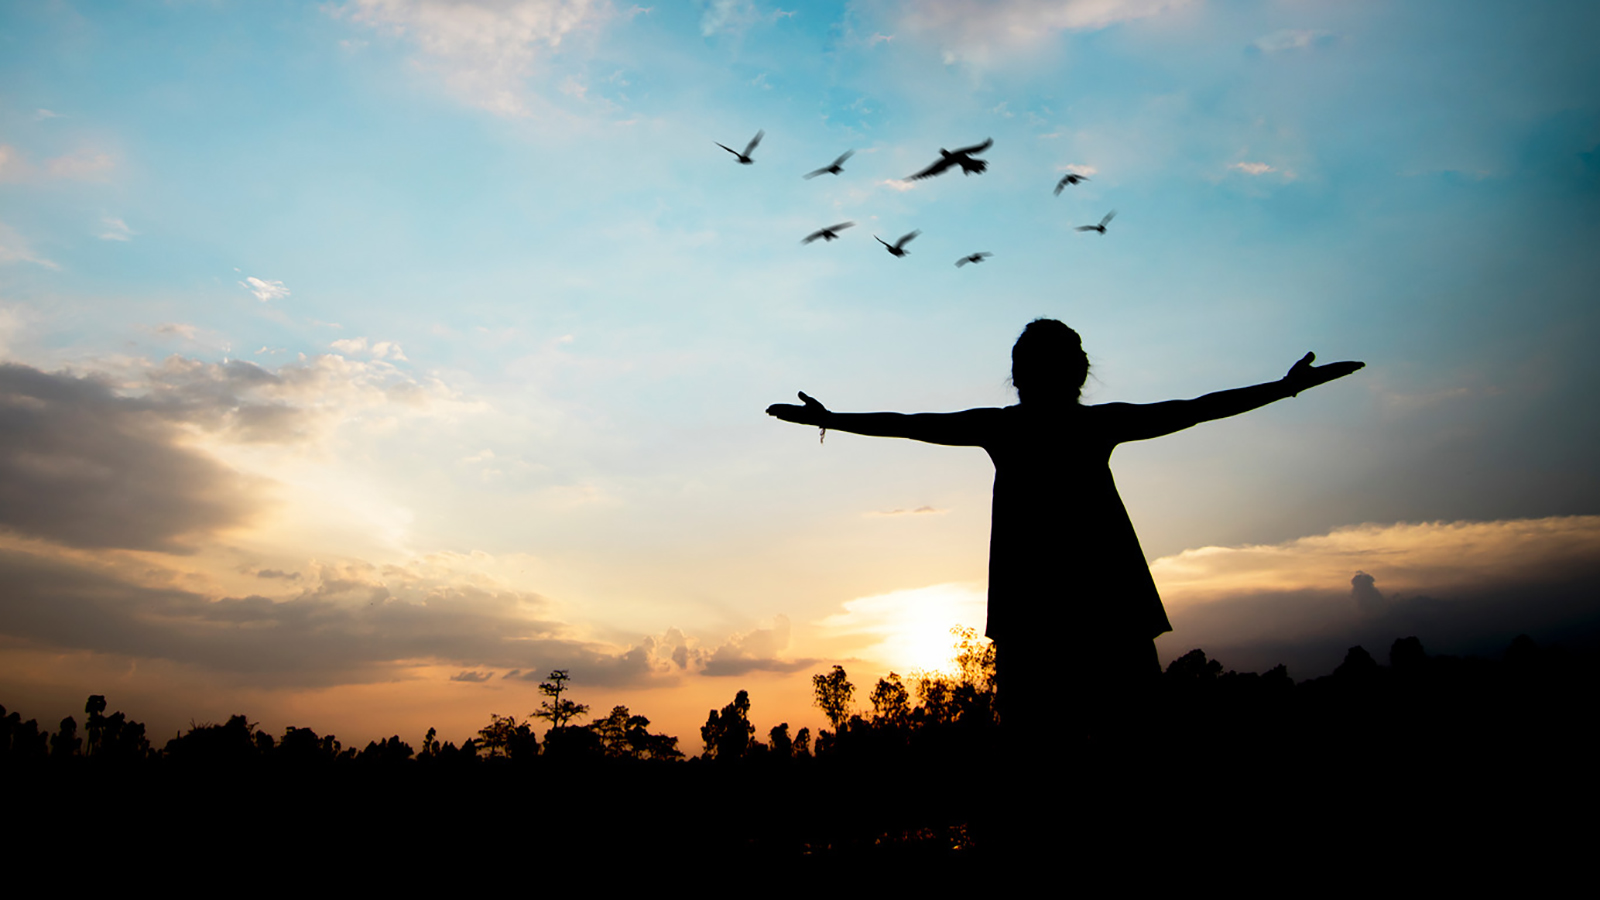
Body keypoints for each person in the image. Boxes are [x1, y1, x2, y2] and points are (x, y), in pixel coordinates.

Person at [766, 319, 1363, 741]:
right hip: (1096, 613)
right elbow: (1199, 406)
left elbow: (907, 424)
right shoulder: (1076, 425)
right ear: (1075, 373)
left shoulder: (1014, 427)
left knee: (1053, 759)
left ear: (1020, 376)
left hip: (1055, 618)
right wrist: (1283, 389)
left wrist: (831, 419)